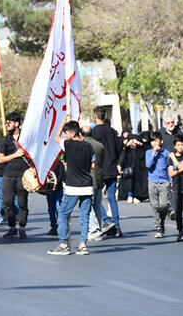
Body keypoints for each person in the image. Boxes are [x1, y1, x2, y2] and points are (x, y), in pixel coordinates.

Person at [48, 117, 95, 256]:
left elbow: (56, 138)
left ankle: (63, 245)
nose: (65, 135)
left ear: (72, 133)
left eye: (66, 132)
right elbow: (92, 165)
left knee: (63, 214)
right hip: (87, 185)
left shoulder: (68, 144)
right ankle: (83, 245)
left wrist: (62, 120)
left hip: (73, 187)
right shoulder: (88, 146)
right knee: (84, 216)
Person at [0, 112, 30, 239]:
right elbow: (1, 159)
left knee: (23, 202)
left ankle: (22, 227)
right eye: (6, 122)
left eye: (9, 122)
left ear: (16, 124)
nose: (6, 124)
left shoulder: (26, 138)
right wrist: (16, 155)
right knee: (7, 202)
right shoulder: (4, 140)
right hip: (8, 175)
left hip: (23, 175)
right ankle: (12, 227)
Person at [93, 106, 123, 237]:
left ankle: (106, 220)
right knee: (112, 198)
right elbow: (119, 148)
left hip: (100, 169)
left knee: (95, 199)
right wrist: (118, 163)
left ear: (95, 116)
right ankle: (116, 226)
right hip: (111, 167)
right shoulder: (112, 131)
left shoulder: (95, 132)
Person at [80, 126, 104, 241]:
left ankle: (94, 230)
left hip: (88, 179)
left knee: (89, 205)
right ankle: (97, 229)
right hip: (99, 177)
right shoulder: (100, 145)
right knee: (97, 206)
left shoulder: (83, 145)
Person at [145, 131, 170, 238]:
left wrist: (171, 182)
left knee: (164, 205)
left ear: (161, 141)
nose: (155, 143)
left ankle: (162, 221)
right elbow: (148, 164)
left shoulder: (166, 153)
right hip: (152, 181)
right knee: (154, 205)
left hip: (164, 182)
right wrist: (154, 153)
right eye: (152, 141)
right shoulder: (149, 152)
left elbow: (169, 168)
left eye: (156, 141)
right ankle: (158, 227)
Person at [46, 159, 65, 236]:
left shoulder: (58, 162)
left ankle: (61, 227)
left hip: (58, 189)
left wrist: (56, 183)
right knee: (51, 209)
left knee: (58, 208)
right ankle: (53, 227)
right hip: (49, 189)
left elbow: (61, 174)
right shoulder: (46, 163)